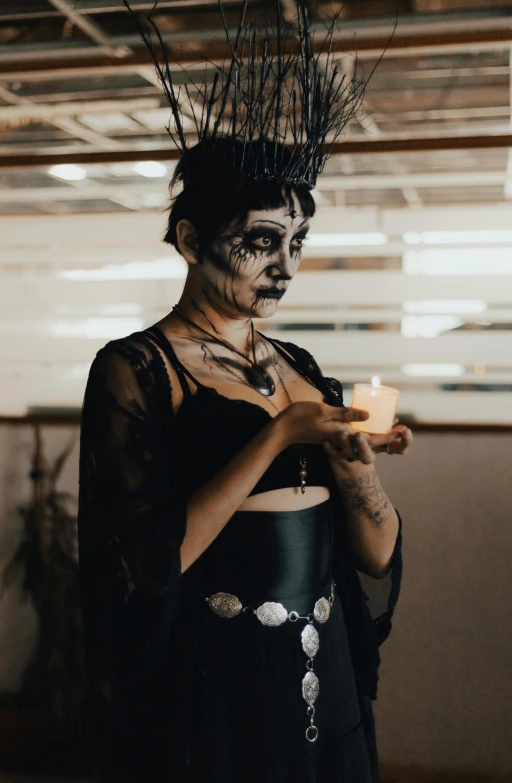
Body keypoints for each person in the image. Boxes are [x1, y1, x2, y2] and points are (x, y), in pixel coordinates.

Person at [77, 4, 412, 782]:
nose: (285, 268)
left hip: (320, 673)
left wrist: (358, 464)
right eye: (261, 241)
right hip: (212, 682)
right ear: (191, 240)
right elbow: (148, 564)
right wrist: (276, 435)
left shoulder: (300, 362)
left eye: (296, 243)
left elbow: (378, 552)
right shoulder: (136, 368)